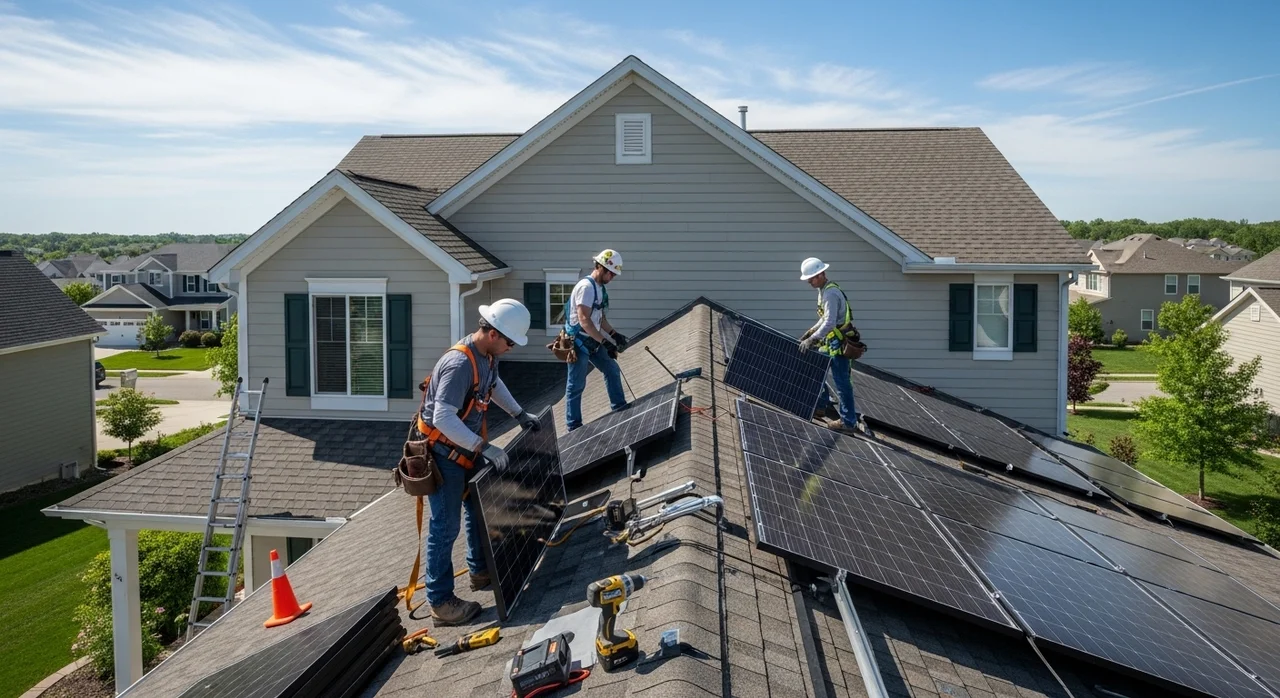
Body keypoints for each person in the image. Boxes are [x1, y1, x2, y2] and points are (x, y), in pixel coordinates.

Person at [414, 298, 541, 625]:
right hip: (443, 453)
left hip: (466, 448)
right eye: (510, 342)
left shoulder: (487, 357)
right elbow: (442, 417)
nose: (511, 348)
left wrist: (519, 414)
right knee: (445, 526)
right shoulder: (459, 364)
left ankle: (480, 570)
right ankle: (440, 602)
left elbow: (493, 385)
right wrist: (482, 446)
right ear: (493, 333)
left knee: (480, 503)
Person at [563, 249, 630, 431]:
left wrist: (614, 334)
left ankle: (620, 407)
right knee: (576, 385)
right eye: (611, 273)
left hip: (592, 339)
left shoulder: (600, 288)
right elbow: (584, 320)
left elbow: (599, 318)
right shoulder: (586, 287)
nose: (612, 277)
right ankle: (573, 426)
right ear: (600, 267)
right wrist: (605, 342)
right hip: (578, 341)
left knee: (612, 369)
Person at [797, 257, 863, 435]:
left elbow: (830, 322)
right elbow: (824, 318)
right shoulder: (824, 290)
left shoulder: (830, 294)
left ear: (821, 274)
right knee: (817, 369)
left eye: (811, 278)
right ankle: (820, 405)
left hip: (839, 343)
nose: (809, 282)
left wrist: (812, 339)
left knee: (842, 383)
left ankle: (848, 422)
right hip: (830, 341)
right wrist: (810, 332)